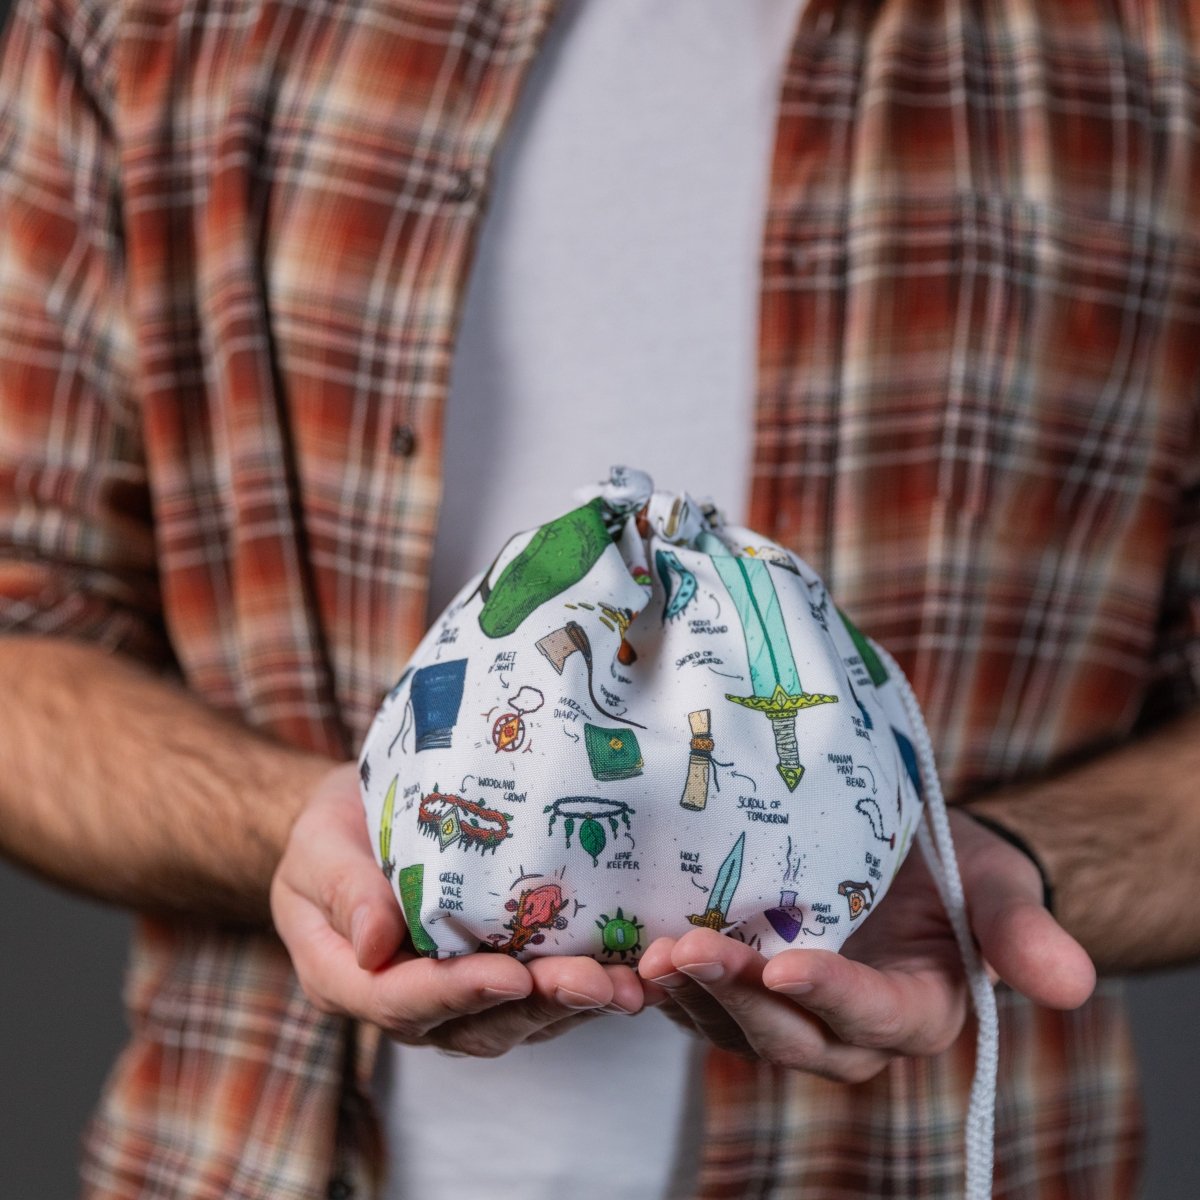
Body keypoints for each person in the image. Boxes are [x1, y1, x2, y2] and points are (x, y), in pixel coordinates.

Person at [1, 1, 1197, 1198]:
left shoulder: (1155, 43)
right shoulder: (146, 24)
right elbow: (20, 633)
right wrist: (305, 831)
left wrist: (1013, 871)